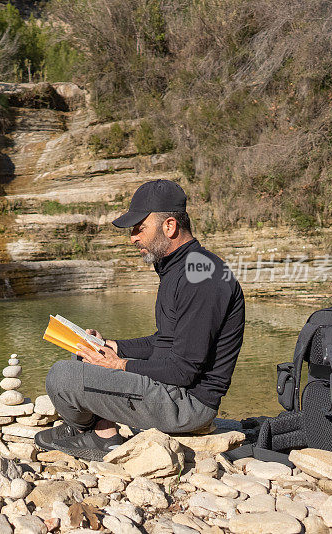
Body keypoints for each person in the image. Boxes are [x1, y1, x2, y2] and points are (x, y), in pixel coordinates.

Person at [34, 179, 245, 460]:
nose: (133, 237)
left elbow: (184, 371)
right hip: (173, 390)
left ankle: (93, 436)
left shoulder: (201, 276)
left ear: (169, 226)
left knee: (63, 376)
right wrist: (111, 346)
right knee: (86, 354)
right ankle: (100, 433)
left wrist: (120, 365)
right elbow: (165, 341)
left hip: (188, 404)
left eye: (139, 228)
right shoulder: (179, 268)